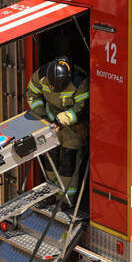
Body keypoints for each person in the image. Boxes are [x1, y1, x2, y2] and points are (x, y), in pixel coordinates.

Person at [27, 56, 89, 207]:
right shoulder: (41, 75)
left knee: (69, 162)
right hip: (49, 122)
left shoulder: (80, 81)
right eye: (51, 86)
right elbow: (32, 94)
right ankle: (52, 195)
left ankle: (66, 201)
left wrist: (61, 120)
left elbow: (82, 108)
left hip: (73, 126)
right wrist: (41, 117)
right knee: (50, 159)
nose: (53, 89)